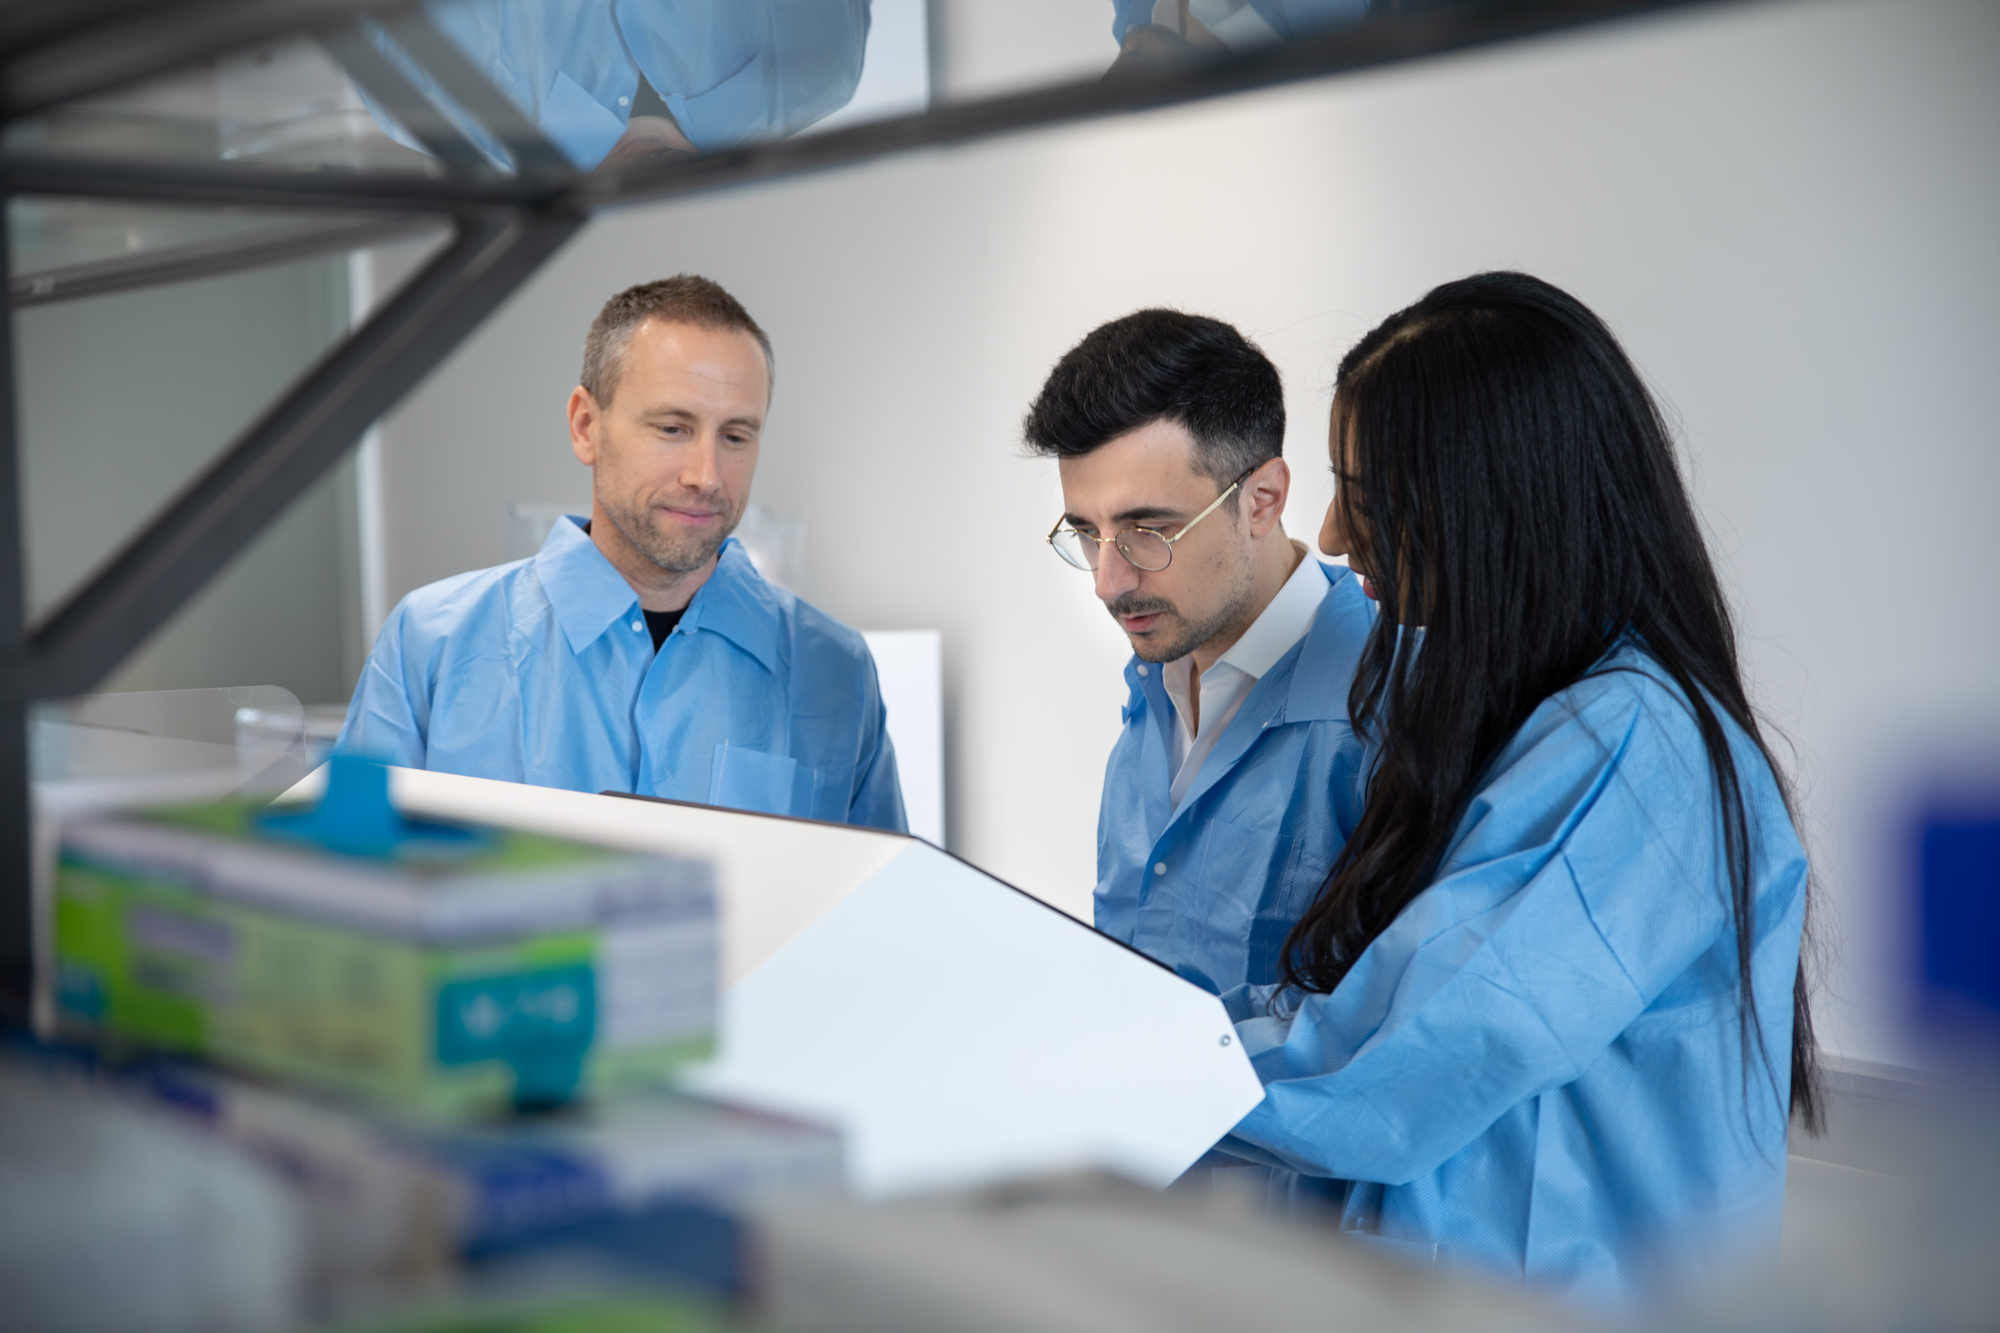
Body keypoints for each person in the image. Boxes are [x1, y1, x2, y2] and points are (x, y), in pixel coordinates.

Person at [1211, 272, 1823, 1307]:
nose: (1328, 535)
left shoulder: (1634, 744)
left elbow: (1400, 1062)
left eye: (1359, 497)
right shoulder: (1541, 722)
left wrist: (1114, 1061)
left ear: (1487, 500)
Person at [337, 275, 906, 831]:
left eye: (735, 436)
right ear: (587, 426)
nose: (706, 476)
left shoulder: (834, 672)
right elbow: (340, 893)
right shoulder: (433, 644)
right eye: (672, 428)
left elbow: (881, 915)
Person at [1025, 310, 1375, 996]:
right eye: (1087, 533)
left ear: (1263, 499)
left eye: (1147, 530)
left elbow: (1385, 1031)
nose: (1108, 581)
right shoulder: (1154, 683)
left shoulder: (1389, 697)